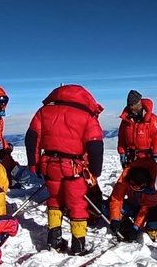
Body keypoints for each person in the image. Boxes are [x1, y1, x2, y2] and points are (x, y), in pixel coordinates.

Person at [25, 84, 104, 255]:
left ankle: (54, 240)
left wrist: (34, 163)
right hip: (73, 167)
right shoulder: (87, 115)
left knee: (54, 199)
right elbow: (95, 145)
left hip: (49, 164)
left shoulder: (43, 111)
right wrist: (95, 172)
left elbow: (32, 138)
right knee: (77, 204)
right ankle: (78, 245)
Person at [109, 157, 157, 242]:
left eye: (140, 187)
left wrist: (136, 227)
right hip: (133, 204)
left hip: (148, 208)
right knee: (107, 207)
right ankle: (123, 222)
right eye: (134, 186)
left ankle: (151, 229)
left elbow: (145, 208)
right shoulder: (125, 179)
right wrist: (115, 218)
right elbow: (116, 198)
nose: (136, 189)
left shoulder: (154, 186)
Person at [117, 90, 157, 168]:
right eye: (129, 105)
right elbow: (121, 137)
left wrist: (156, 154)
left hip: (147, 156)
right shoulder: (126, 120)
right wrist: (122, 152)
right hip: (131, 157)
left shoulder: (152, 119)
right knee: (129, 179)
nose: (131, 107)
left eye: (132, 104)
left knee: (146, 179)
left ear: (139, 103)